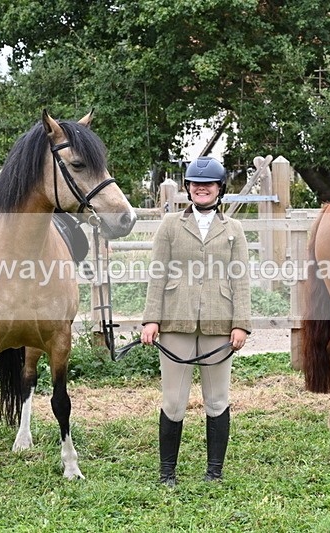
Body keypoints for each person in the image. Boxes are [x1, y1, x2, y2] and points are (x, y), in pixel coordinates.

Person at [141, 156, 252, 485]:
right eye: (195, 183)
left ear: (220, 189)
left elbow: (241, 280)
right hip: (176, 321)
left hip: (220, 323)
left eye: (209, 184)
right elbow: (157, 275)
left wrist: (241, 323)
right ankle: (167, 473)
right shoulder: (171, 226)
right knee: (173, 401)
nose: (201, 188)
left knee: (217, 399)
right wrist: (151, 320)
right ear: (188, 188)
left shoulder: (234, 229)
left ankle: (214, 473)